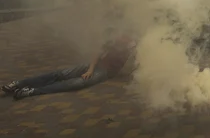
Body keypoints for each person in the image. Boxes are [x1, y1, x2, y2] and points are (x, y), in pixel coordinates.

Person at [2, 34, 135, 100]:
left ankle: (30, 91)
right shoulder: (115, 39)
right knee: (61, 74)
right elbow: (97, 53)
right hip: (95, 67)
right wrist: (90, 69)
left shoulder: (133, 44)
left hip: (106, 72)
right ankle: (18, 84)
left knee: (76, 83)